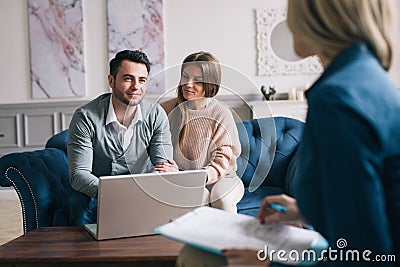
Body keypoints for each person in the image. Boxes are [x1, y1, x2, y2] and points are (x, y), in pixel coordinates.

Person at [177, 0, 400, 266]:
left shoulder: (337, 99)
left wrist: (269, 264)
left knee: (194, 256)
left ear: (317, 17)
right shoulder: (365, 77)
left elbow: (366, 252)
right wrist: (304, 210)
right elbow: (368, 204)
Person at [67, 50, 173, 224]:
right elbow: (79, 174)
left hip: (143, 190)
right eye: (128, 78)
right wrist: (116, 193)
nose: (136, 87)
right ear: (111, 80)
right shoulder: (85, 117)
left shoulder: (156, 115)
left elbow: (163, 166)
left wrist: (144, 190)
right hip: (98, 191)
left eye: (142, 80)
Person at [154, 51, 244, 214]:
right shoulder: (166, 110)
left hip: (224, 178)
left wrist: (191, 178)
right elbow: (155, 148)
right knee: (198, 198)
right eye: (185, 77)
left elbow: (221, 161)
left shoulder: (221, 113)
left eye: (197, 80)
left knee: (221, 199)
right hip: (181, 180)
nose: (188, 84)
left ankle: (230, 239)